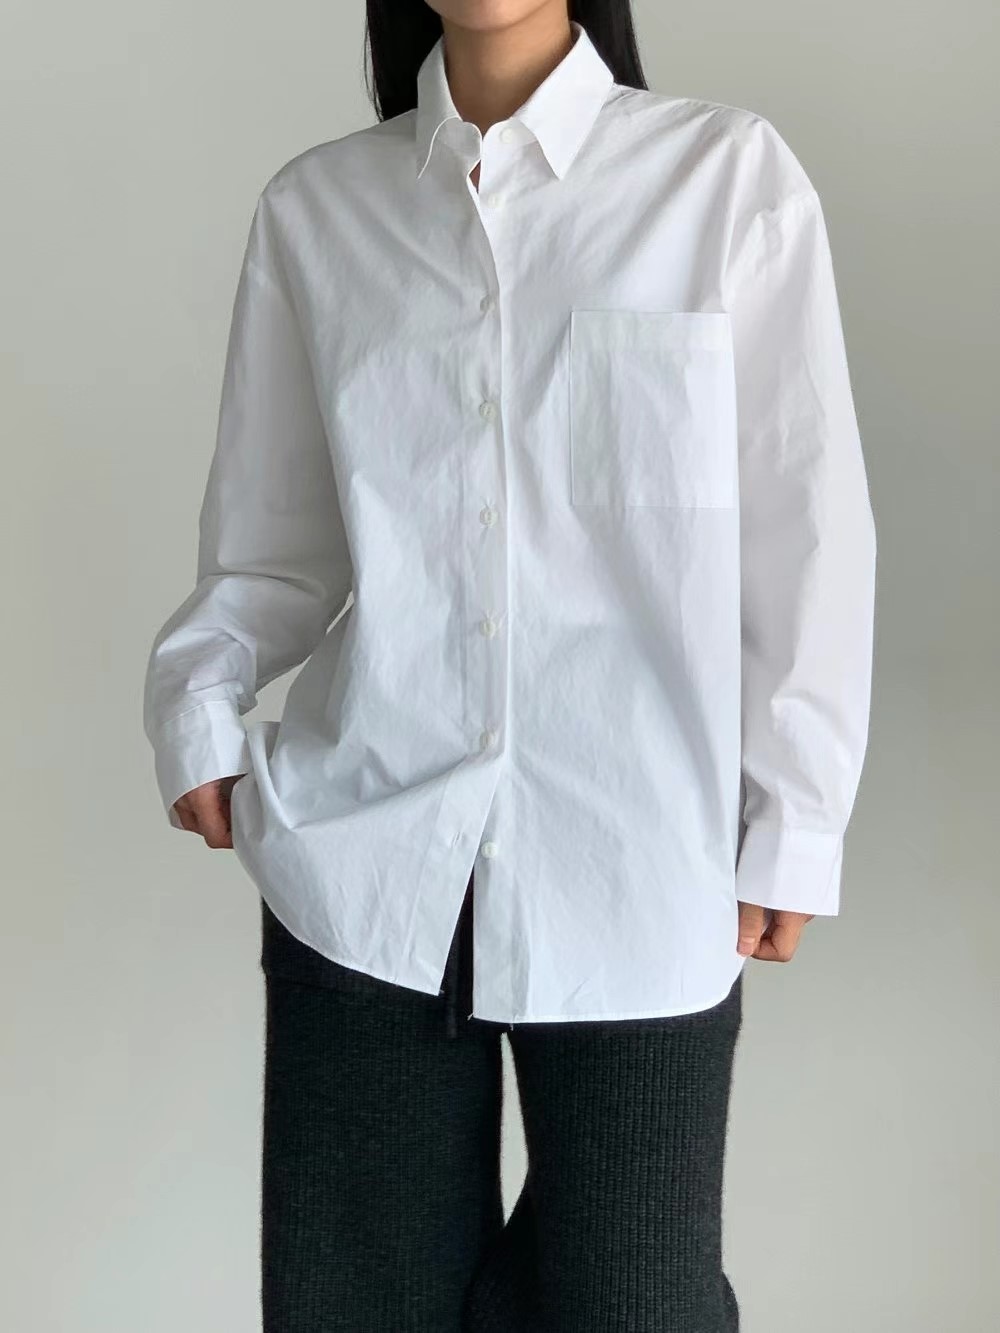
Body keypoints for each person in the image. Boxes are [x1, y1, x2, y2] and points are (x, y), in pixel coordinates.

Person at [142, 2, 877, 1329]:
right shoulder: (319, 211)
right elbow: (273, 540)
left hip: (641, 865)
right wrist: (199, 708)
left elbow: (804, 530)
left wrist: (799, 820)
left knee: (637, 1303)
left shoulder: (723, 179)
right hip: (365, 869)